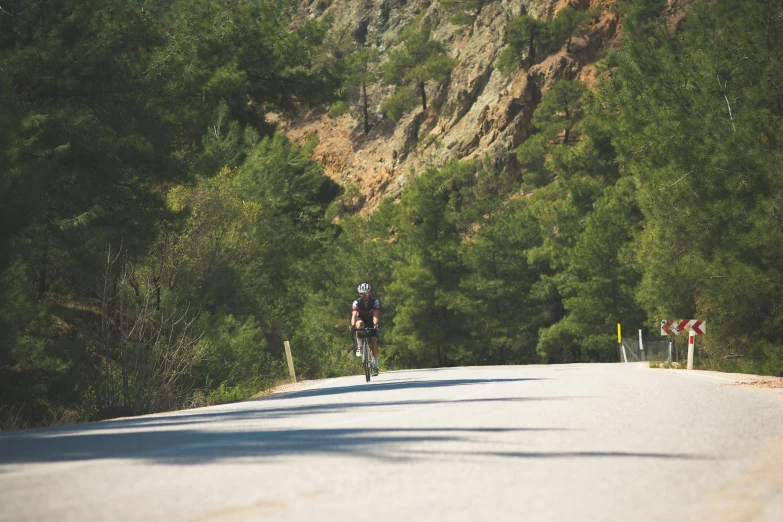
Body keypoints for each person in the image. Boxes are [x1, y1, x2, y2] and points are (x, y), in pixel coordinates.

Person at [349, 283, 380, 376]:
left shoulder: (375, 302)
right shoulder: (356, 302)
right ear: (359, 294)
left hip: (371, 320)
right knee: (360, 324)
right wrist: (352, 325)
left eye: (366, 294)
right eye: (362, 294)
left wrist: (375, 324)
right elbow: (354, 315)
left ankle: (375, 366)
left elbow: (376, 315)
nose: (364, 296)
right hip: (360, 319)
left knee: (373, 341)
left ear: (369, 293)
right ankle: (359, 347)